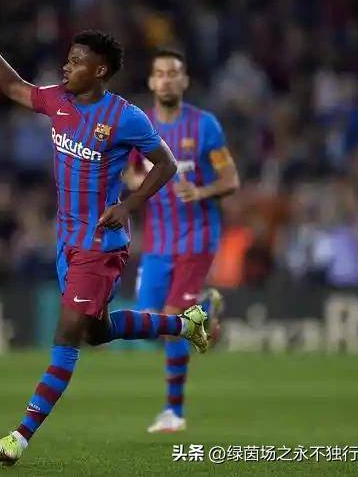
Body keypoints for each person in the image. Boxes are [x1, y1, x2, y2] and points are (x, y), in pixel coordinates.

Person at [0, 0, 209, 466]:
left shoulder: (125, 117)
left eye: (77, 61)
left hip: (100, 246)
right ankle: (183, 324)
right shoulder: (58, 101)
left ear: (100, 71)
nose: (66, 67)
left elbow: (166, 164)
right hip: (67, 243)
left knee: (67, 335)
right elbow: (11, 86)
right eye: (68, 59)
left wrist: (129, 205)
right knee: (96, 332)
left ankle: (19, 438)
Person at [124, 49, 240, 433]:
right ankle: (206, 306)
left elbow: (231, 180)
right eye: (160, 73)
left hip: (197, 237)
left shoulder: (205, 126)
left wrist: (201, 192)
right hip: (158, 243)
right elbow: (130, 173)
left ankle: (173, 411)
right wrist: (135, 183)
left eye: (174, 73)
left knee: (174, 316)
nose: (167, 79)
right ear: (151, 82)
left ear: (185, 80)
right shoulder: (140, 127)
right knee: (149, 324)